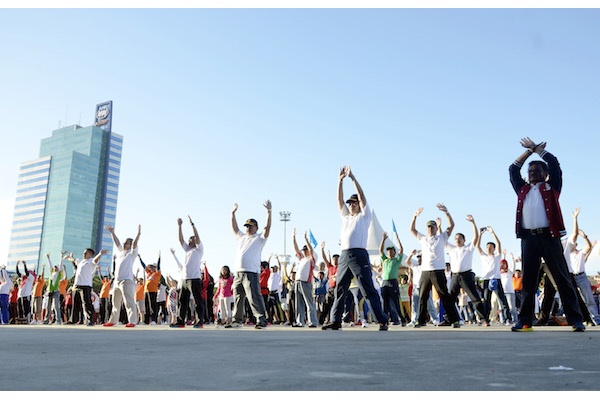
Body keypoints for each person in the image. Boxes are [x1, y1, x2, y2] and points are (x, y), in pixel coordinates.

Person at [509, 137, 585, 332]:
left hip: (549, 237)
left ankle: (576, 319)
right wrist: (528, 153)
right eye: (530, 171)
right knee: (528, 281)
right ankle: (525, 320)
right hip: (528, 238)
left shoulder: (552, 187)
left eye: (537, 171)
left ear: (546, 174)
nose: (532, 174)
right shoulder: (522, 189)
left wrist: (537, 150)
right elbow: (512, 169)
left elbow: (554, 163)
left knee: (562, 278)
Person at [322, 166, 388, 331]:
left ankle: (382, 320)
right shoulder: (345, 217)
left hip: (359, 255)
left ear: (359, 205)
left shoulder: (364, 216)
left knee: (367, 289)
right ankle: (335, 320)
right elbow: (339, 200)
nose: (351, 205)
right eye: (350, 203)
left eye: (354, 203)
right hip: (345, 255)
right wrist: (339, 181)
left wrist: (352, 178)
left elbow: (362, 196)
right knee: (339, 288)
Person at [409, 204, 460, 328]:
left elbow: (452, 226)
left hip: (438, 271)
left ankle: (454, 320)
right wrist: (415, 216)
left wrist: (447, 213)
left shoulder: (441, 238)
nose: (430, 229)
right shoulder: (423, 238)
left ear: (436, 228)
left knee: (444, 295)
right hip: (425, 271)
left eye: (432, 227)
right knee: (423, 296)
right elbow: (412, 230)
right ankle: (420, 320)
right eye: (428, 227)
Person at [226, 201, 272, 329]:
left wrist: (269, 212)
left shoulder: (259, 238)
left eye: (251, 226)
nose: (248, 228)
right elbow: (234, 228)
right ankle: (237, 320)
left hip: (251, 272)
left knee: (253, 297)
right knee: (238, 297)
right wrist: (232, 213)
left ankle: (261, 319)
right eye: (246, 226)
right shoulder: (242, 237)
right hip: (238, 272)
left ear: (256, 228)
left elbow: (267, 228)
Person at [445, 215, 488, 326]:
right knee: (450, 299)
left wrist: (473, 223)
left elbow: (476, 237)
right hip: (454, 276)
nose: (457, 240)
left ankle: (483, 319)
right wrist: (440, 226)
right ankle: (448, 319)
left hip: (466, 276)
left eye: (460, 238)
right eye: (456, 239)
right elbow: (444, 239)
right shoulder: (452, 248)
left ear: (464, 240)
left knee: (475, 298)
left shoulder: (468, 248)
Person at [102, 224, 141, 328]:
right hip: (117, 282)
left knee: (129, 302)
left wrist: (138, 234)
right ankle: (113, 321)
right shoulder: (120, 253)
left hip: (126, 281)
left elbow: (135, 243)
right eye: (124, 242)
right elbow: (117, 243)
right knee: (115, 303)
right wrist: (112, 233)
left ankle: (132, 322)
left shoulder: (131, 253)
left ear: (130, 245)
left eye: (127, 243)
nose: (124, 244)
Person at [170, 216, 205, 329]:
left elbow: (198, 238)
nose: (190, 241)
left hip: (194, 279)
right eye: (189, 239)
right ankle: (180, 321)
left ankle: (199, 321)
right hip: (185, 279)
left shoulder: (199, 250)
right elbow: (180, 240)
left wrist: (192, 225)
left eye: (192, 239)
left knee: (197, 301)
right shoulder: (187, 250)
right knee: (182, 301)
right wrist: (180, 226)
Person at [477, 226, 511, 325]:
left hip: (496, 279)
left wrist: (492, 233)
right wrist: (480, 235)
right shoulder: (483, 256)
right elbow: (477, 246)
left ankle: (507, 318)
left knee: (502, 300)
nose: (488, 249)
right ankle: (486, 320)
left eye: (491, 247)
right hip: (487, 280)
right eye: (487, 247)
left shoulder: (497, 256)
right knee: (486, 301)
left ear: (494, 249)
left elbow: (499, 244)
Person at [65, 248, 107, 326]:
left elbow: (95, 260)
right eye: (84, 252)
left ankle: (90, 320)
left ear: (90, 254)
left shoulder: (91, 261)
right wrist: (68, 258)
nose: (83, 254)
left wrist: (100, 254)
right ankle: (73, 320)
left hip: (86, 285)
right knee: (76, 304)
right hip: (77, 285)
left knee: (87, 303)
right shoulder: (81, 261)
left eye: (86, 253)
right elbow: (74, 260)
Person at [378, 231, 404, 325]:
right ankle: (386, 319)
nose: (389, 252)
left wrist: (397, 239)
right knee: (385, 302)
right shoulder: (385, 260)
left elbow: (401, 250)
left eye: (391, 250)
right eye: (388, 250)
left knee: (395, 302)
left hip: (393, 282)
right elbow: (380, 251)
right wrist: (383, 240)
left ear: (394, 252)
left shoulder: (396, 260)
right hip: (385, 282)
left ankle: (400, 319)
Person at [139, 252, 162, 325]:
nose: (151, 268)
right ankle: (146, 321)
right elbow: (144, 266)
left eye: (152, 267)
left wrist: (159, 258)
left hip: (153, 291)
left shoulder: (157, 274)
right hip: (146, 291)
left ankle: (153, 320)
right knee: (146, 306)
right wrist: (140, 258)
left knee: (153, 306)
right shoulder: (148, 273)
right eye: (150, 268)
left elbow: (158, 267)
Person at [43, 253, 66, 325]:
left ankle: (58, 321)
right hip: (49, 291)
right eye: (55, 267)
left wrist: (61, 257)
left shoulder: (59, 274)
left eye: (57, 267)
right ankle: (46, 320)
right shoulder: (52, 273)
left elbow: (61, 264)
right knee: (48, 306)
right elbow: (50, 265)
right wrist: (48, 258)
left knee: (56, 306)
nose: (55, 268)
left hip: (56, 291)